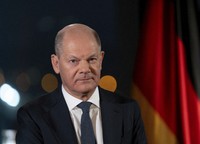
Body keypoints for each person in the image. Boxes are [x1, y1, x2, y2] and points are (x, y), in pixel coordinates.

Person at [16, 23, 147, 144]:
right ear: (56, 64)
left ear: (101, 60)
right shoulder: (33, 116)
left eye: (92, 59)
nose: (85, 69)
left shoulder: (128, 110)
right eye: (74, 61)